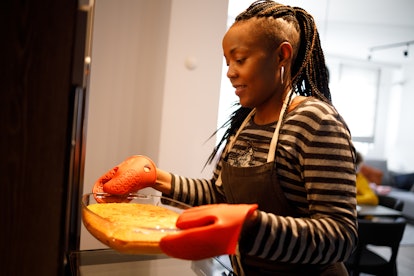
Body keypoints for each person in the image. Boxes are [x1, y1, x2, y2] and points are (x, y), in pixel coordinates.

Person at [93, 1, 358, 275]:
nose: (230, 72)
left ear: (282, 56)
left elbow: (341, 235)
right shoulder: (245, 123)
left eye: (240, 60)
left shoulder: (316, 122)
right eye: (227, 62)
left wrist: (249, 225)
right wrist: (156, 177)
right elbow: (219, 196)